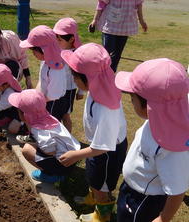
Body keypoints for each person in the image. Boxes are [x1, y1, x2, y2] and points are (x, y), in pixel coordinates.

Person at [114, 58, 189, 222]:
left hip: (144, 200)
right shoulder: (159, 118)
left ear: (150, 106)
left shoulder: (172, 147)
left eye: (132, 99)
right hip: (131, 189)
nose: (131, 102)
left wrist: (163, 218)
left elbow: (177, 189)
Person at [59, 43, 127, 222]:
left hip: (107, 152)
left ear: (90, 78)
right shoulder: (99, 87)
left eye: (75, 75)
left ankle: (102, 215)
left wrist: (75, 155)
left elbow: (103, 147)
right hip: (97, 145)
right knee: (93, 177)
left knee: (102, 185)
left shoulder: (106, 109)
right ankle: (93, 198)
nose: (72, 77)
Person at [8, 89, 81, 183]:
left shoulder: (38, 130)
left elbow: (50, 151)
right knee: (33, 145)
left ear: (23, 114)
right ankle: (56, 171)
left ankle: (53, 175)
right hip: (72, 157)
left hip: (63, 164)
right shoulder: (48, 117)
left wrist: (40, 147)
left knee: (26, 149)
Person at [19, 25, 67, 122]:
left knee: (49, 126)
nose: (33, 54)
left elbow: (53, 95)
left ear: (45, 50)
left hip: (53, 103)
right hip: (44, 100)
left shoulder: (56, 70)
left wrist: (36, 103)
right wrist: (35, 96)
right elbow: (42, 81)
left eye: (34, 51)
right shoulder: (46, 61)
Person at [89, 0, 148, 72]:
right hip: (110, 26)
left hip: (125, 27)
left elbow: (139, 5)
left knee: (117, 54)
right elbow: (102, 3)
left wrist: (142, 21)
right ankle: (100, 72)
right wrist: (95, 20)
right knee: (106, 53)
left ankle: (111, 73)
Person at [53, 17, 85, 132]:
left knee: (65, 116)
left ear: (71, 39)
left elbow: (82, 73)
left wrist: (81, 91)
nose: (56, 42)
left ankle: (68, 140)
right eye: (55, 38)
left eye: (59, 39)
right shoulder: (57, 49)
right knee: (53, 115)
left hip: (68, 90)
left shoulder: (77, 54)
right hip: (56, 89)